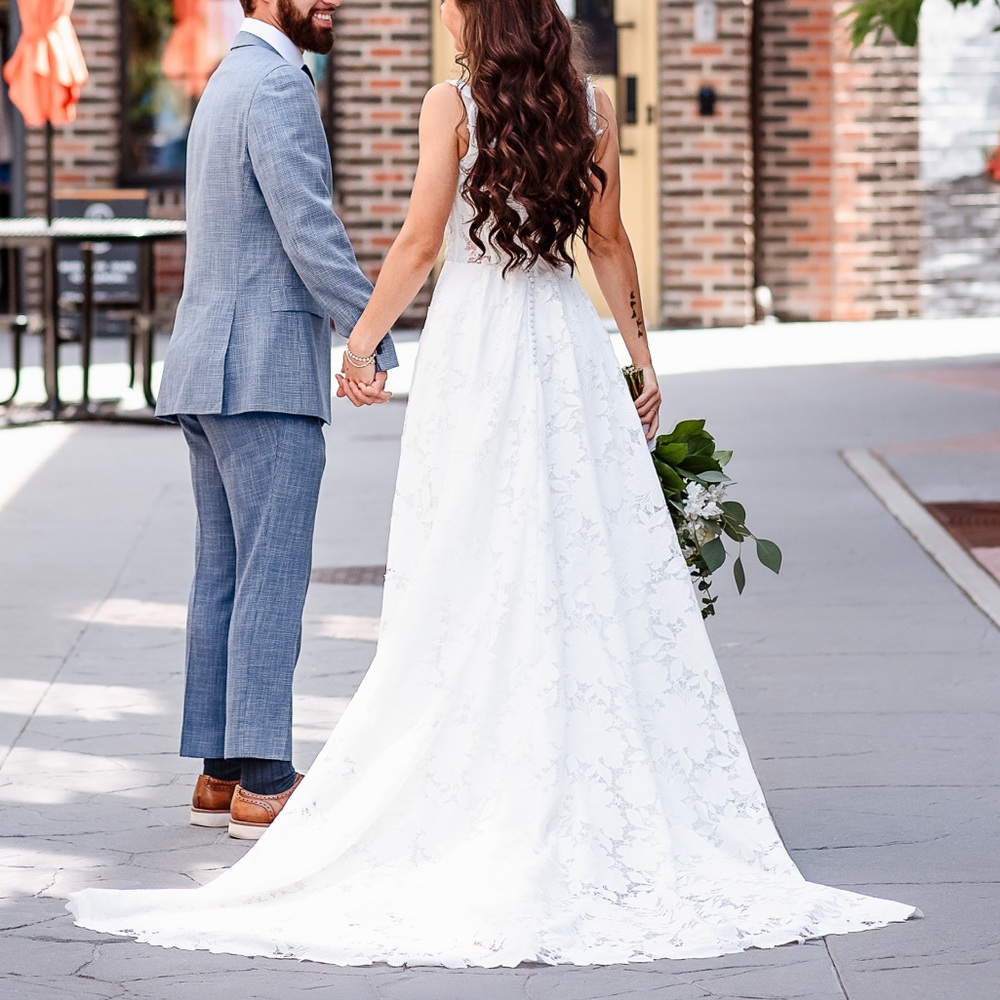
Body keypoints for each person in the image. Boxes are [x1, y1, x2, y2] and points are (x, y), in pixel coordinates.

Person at [68, 0, 917, 965]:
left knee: (467, 553)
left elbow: (421, 244)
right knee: (574, 549)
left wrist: (360, 341)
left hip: (477, 355)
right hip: (565, 356)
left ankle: (347, 765)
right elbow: (609, 242)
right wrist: (641, 359)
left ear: (478, 14)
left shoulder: (452, 103)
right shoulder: (589, 107)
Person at [151, 0, 396, 840]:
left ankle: (219, 771)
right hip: (258, 373)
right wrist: (374, 336)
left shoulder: (227, 77)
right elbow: (310, 232)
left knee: (222, 570)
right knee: (271, 572)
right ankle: (264, 779)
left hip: (204, 366)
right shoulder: (280, 86)